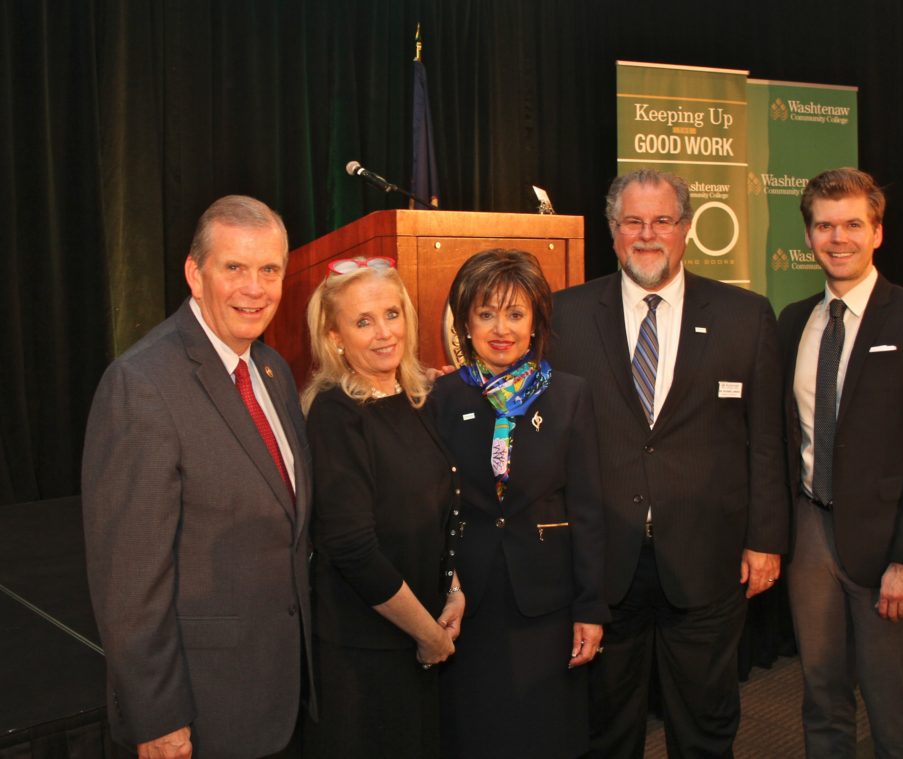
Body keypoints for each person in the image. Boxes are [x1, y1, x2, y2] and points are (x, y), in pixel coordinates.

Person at [548, 168, 788, 758]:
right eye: (633, 221)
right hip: (604, 565)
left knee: (706, 727)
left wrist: (765, 540)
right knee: (605, 730)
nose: (647, 234)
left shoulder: (745, 314)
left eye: (662, 221)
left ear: (685, 230)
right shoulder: (564, 316)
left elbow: (766, 439)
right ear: (612, 231)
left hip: (709, 562)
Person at [81, 195, 315, 758]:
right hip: (202, 712)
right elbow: (130, 581)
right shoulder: (141, 384)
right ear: (194, 273)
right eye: (234, 267)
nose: (254, 289)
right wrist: (157, 717)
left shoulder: (273, 370)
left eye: (269, 270)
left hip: (280, 695)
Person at [778, 167, 903, 758]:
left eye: (853, 225)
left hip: (889, 550)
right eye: (825, 226)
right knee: (822, 698)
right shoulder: (792, 323)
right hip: (809, 535)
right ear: (808, 236)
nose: (839, 239)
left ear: (877, 232)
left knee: (893, 713)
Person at [430, 248, 609, 759]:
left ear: (536, 322)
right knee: (474, 735)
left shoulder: (571, 395)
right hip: (468, 601)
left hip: (547, 602)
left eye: (514, 313)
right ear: (465, 323)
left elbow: (589, 508)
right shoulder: (441, 397)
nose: (500, 328)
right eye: (485, 314)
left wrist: (590, 608)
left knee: (545, 736)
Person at [302, 257, 464, 759]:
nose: (384, 333)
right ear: (334, 338)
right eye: (363, 321)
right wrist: (428, 634)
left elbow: (445, 511)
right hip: (366, 651)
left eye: (392, 314)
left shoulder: (419, 396)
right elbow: (352, 547)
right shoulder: (335, 412)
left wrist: (454, 589)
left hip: (424, 638)